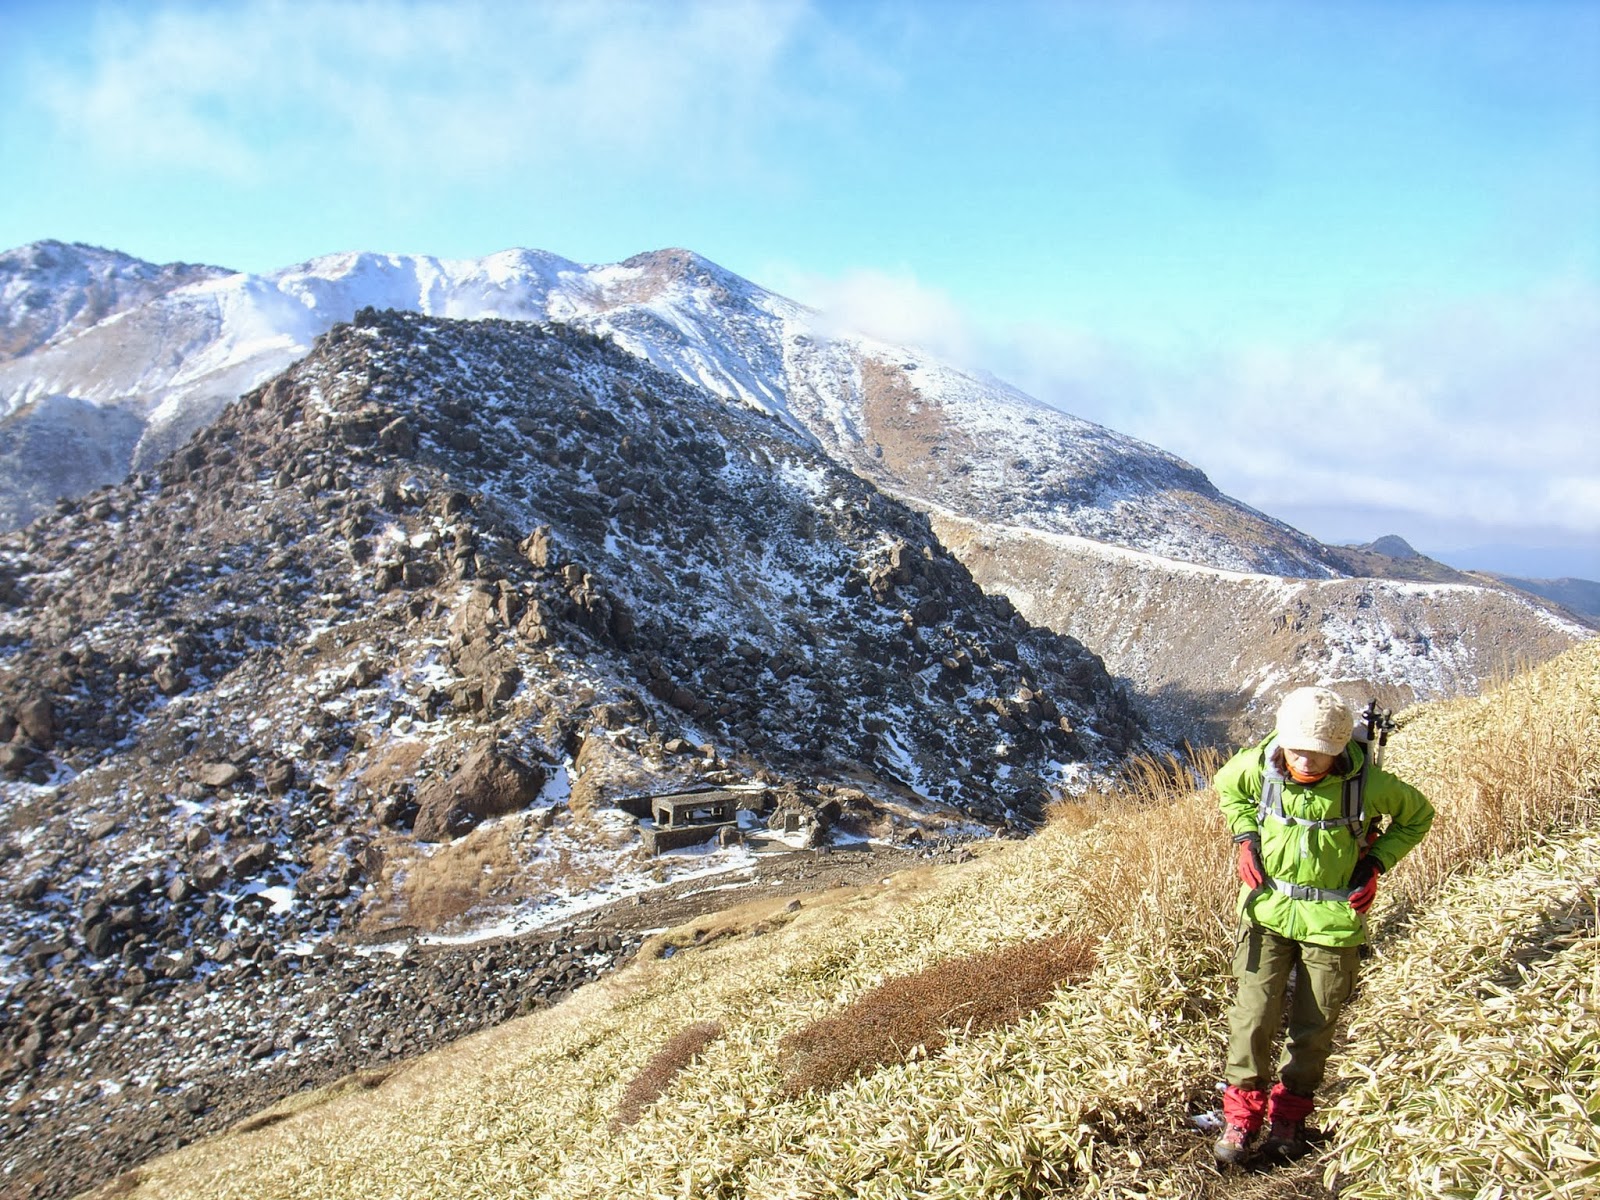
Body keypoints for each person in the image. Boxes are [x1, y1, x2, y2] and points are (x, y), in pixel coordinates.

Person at [1211, 685, 1434, 1167]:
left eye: (1319, 755)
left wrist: (1376, 863)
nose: (1307, 764)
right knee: (1252, 1016)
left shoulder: (1367, 784)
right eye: (1297, 752)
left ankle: (1290, 1116)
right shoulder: (1259, 766)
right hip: (1267, 910)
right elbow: (1228, 788)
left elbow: (1417, 817)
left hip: (1333, 921)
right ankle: (1241, 1116)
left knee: (1314, 1026)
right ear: (1282, 741)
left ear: (1337, 749)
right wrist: (1246, 837)